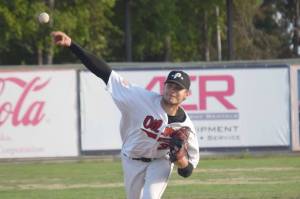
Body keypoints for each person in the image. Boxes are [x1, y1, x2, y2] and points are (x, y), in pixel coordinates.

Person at [51, 31, 200, 199]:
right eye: (170, 86)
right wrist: (72, 45)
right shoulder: (140, 98)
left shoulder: (186, 127)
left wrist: (181, 161)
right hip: (131, 159)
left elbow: (187, 171)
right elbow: (105, 73)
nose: (172, 91)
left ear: (187, 94)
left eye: (177, 88)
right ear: (164, 87)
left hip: (160, 161)